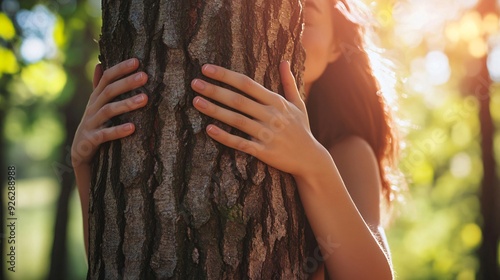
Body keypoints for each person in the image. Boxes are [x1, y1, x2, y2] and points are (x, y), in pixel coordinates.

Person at [72, 0, 400, 278]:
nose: (285, 28)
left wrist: (313, 164)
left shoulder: (347, 149)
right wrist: (84, 163)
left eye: (305, 19)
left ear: (334, 49)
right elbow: (109, 263)